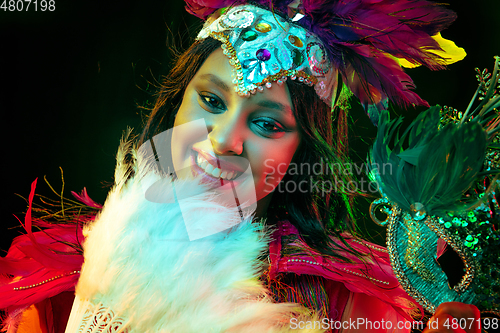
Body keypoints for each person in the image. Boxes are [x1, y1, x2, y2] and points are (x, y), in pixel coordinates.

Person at [0, 0, 491, 332]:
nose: (222, 140)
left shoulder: (351, 305)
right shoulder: (54, 275)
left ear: (301, 153)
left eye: (267, 125)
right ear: (178, 103)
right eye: (211, 100)